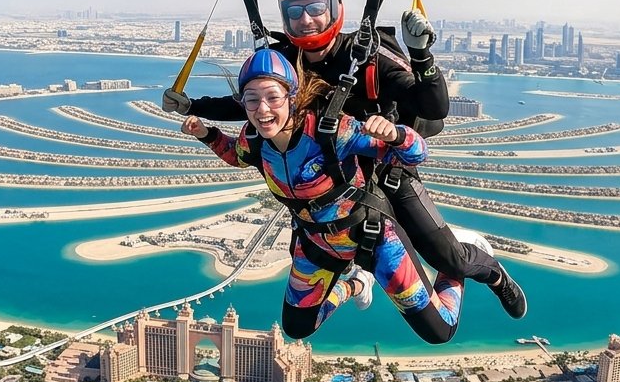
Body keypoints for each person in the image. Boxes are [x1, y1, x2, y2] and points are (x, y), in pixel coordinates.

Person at [164, 0, 526, 319]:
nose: (306, 20)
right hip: (331, 182)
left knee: (447, 258)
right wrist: (194, 106)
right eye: (295, 11)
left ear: (334, 9)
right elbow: (253, 104)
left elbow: (433, 107)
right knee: (315, 255)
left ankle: (493, 272)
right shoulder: (287, 60)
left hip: (384, 170)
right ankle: (358, 281)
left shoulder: (367, 58)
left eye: (315, 8)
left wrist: (422, 56)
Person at [182, 49, 466, 343]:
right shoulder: (253, 140)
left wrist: (395, 134)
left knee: (439, 329)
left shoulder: (331, 130)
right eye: (252, 99)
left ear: (292, 97)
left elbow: (415, 155)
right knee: (297, 327)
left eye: (273, 97)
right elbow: (237, 156)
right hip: (317, 244)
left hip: (372, 236)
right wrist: (207, 134)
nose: (262, 109)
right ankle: (355, 285)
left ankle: (457, 270)